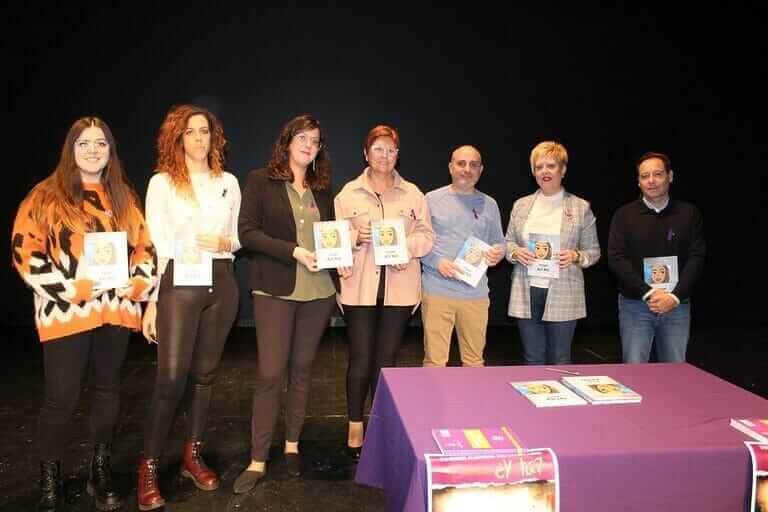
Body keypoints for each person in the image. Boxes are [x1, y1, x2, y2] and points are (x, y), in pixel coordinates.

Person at [11, 117, 156, 511]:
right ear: (71, 149)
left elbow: (145, 246)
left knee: (108, 391)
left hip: (116, 311)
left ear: (111, 151)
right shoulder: (45, 195)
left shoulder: (123, 195)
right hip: (66, 314)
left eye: (101, 144)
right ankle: (50, 476)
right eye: (84, 143)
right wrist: (70, 288)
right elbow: (25, 253)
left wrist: (139, 283)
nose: (93, 150)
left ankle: (99, 469)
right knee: (61, 398)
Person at [138, 105, 241, 510]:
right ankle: (147, 466)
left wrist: (228, 244)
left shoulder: (228, 182)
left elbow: (237, 237)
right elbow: (157, 246)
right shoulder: (162, 184)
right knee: (170, 379)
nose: (199, 139)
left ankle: (191, 455)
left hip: (222, 282)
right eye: (191, 133)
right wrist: (151, 302)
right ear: (177, 139)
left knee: (205, 375)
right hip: (179, 283)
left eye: (205, 132)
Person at [234, 115, 339, 493]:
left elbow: (330, 237)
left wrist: (342, 251)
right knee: (270, 374)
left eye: (315, 140)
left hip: (319, 292)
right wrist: (292, 251)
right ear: (287, 141)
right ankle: (258, 457)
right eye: (302, 137)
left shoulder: (322, 188)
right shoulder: (260, 180)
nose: (309, 145)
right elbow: (246, 233)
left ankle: (292, 446)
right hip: (274, 289)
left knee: (303, 369)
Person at [334, 124, 434, 458]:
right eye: (378, 149)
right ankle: (354, 423)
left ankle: (379, 423)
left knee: (387, 360)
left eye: (391, 150)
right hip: (358, 288)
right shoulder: (347, 194)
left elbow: (427, 237)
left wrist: (406, 246)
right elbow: (332, 241)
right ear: (366, 153)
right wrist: (353, 237)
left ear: (397, 155)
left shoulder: (413, 195)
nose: (385, 156)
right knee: (360, 359)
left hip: (400, 290)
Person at [506, 141, 600, 365]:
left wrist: (576, 256)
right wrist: (516, 252)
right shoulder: (521, 205)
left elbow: (593, 252)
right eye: (539, 167)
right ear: (533, 171)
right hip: (526, 291)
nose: (545, 171)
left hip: (563, 292)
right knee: (532, 359)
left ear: (563, 170)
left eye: (551, 166)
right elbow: (508, 243)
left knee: (560, 359)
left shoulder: (580, 207)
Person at [607, 152, 705, 363]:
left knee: (675, 370)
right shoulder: (624, 215)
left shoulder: (689, 213)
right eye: (644, 176)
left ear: (670, 176)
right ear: (639, 181)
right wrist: (649, 293)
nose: (651, 180)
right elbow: (616, 258)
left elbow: (696, 257)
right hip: (635, 305)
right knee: (634, 371)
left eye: (657, 174)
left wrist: (675, 296)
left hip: (676, 304)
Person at [420, 145, 505, 368]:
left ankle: (472, 404)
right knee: (434, 361)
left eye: (473, 165)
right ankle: (433, 405)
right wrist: (436, 261)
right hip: (437, 291)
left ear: (481, 170)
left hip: (475, 295)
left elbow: (500, 242)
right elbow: (417, 241)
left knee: (474, 361)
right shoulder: (430, 199)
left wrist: (498, 253)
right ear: (450, 167)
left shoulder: (490, 204)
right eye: (461, 163)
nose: (467, 169)